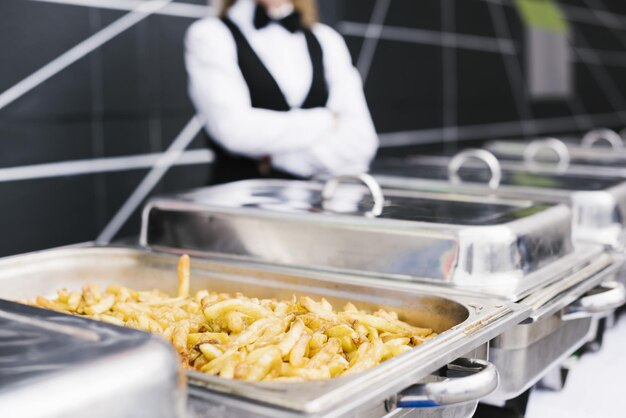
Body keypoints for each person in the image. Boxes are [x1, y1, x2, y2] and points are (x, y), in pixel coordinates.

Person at [185, 0, 378, 184]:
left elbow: (363, 142)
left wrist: (270, 156)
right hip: (241, 204)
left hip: (318, 206)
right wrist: (326, 120)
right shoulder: (209, 35)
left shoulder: (327, 39)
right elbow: (232, 130)